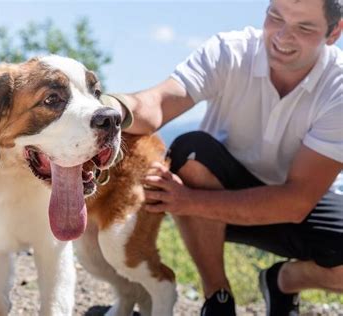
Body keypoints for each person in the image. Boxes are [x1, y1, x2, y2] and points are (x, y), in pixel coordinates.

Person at [101, 0, 342, 315]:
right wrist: (107, 108)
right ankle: (218, 297)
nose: (283, 36)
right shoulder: (229, 51)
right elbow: (156, 104)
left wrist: (187, 202)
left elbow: (296, 201)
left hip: (293, 203)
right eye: (275, 17)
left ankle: (283, 280)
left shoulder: (338, 87)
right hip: (213, 190)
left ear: (334, 32)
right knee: (192, 149)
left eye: (304, 27)